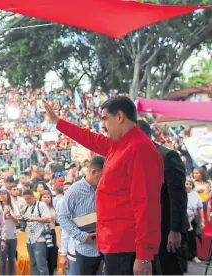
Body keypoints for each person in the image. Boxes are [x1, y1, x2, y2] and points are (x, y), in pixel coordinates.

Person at [43, 96, 164, 275]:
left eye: (105, 119)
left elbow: (146, 205)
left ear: (120, 116)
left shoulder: (139, 149)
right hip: (114, 244)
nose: (103, 125)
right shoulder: (121, 145)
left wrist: (144, 255)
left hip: (127, 248)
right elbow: (89, 138)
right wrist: (58, 122)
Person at [138, 120, 189, 274]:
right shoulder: (138, 158)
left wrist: (175, 229)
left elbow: (178, 196)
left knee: (169, 269)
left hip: (167, 230)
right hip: (148, 231)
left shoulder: (167, 156)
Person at [58, 155, 105, 275]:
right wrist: (81, 236)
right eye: (103, 174)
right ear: (94, 172)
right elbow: (62, 217)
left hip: (106, 248)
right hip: (86, 250)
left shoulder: (105, 188)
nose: (105, 178)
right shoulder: (74, 191)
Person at [22, 189, 52, 275]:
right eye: (25, 199)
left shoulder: (41, 205)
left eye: (28, 199)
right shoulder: (26, 207)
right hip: (29, 239)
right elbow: (24, 221)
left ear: (33, 197)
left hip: (40, 239)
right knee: (33, 265)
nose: (27, 201)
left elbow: (48, 219)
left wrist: (32, 218)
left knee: (41, 265)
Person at [0, 187, 19, 275]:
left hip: (13, 236)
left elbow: (18, 221)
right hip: (2, 238)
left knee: (12, 259)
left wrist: (10, 215)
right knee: (2, 260)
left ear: (7, 195)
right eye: (0, 194)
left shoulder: (13, 206)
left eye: (4, 194)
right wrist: (5, 213)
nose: (2, 196)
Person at [186, 178, 204, 264]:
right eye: (186, 184)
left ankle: (194, 255)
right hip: (183, 219)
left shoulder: (195, 194)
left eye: (190, 184)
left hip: (193, 219)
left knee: (192, 237)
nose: (188, 185)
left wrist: (202, 220)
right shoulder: (180, 193)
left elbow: (200, 208)